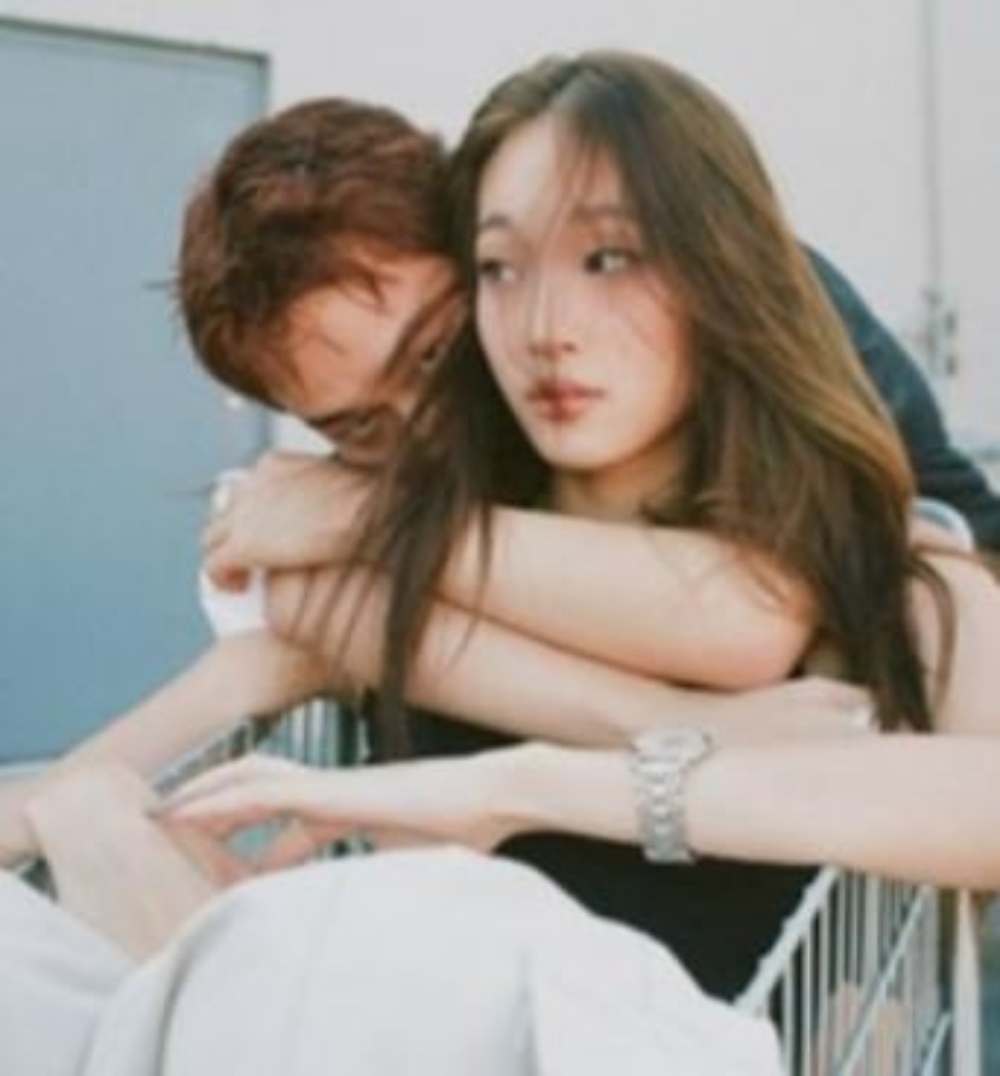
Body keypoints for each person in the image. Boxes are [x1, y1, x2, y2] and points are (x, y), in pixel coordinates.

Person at [182, 51, 1000, 1002]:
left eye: (609, 258)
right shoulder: (475, 503)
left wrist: (518, 783)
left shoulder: (821, 414)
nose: (546, 327)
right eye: (501, 269)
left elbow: (755, 620)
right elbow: (315, 617)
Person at [8, 90, 984, 867]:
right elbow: (303, 618)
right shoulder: (480, 457)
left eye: (433, 353)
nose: (423, 428)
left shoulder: (713, 306)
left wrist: (357, 512)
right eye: (356, 425)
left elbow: (750, 616)